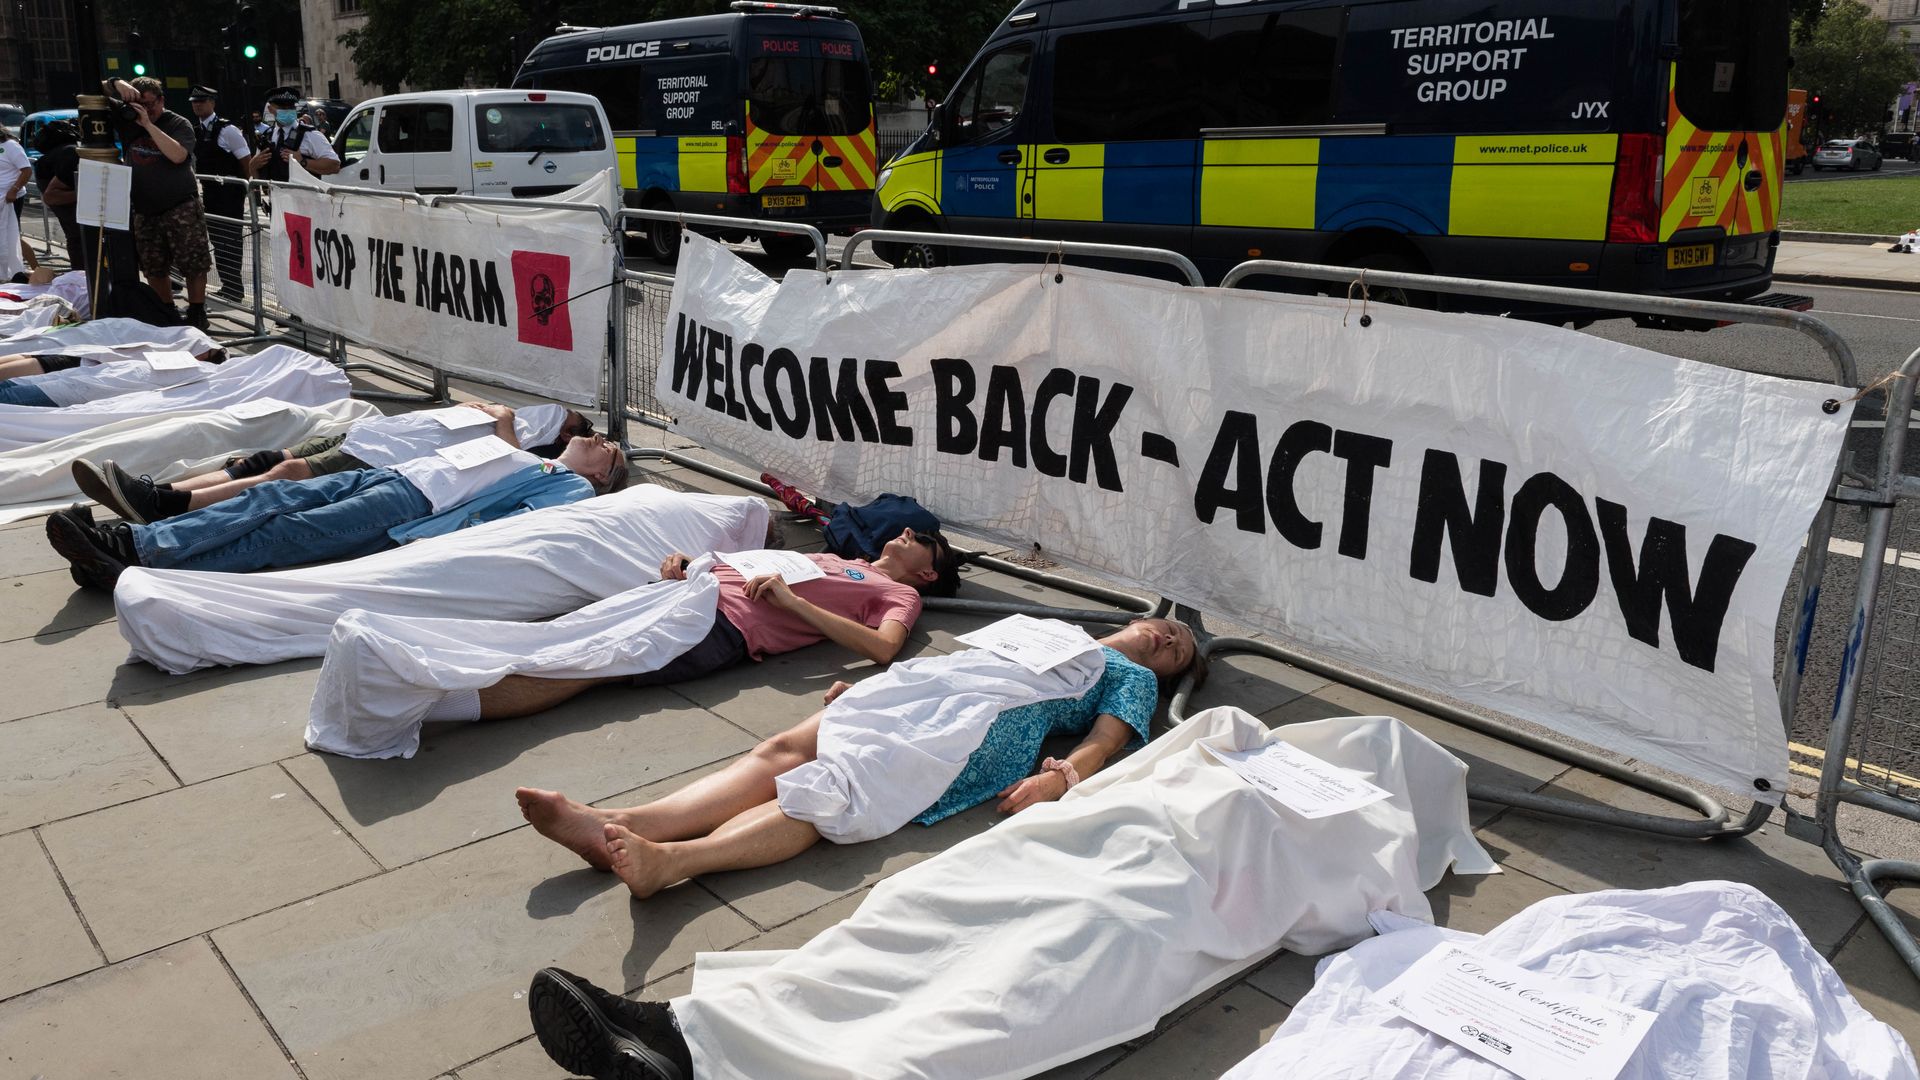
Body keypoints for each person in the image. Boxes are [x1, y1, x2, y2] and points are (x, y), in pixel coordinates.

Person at [523, 707, 1494, 1080]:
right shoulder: (1232, 740)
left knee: (1014, 980)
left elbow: (1337, 911)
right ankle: (679, 1029)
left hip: (1157, 895)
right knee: (909, 917)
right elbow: (1143, 768)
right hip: (1077, 844)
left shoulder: (1372, 830)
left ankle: (731, 1070)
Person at [513, 618, 1200, 896]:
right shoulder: (1049, 630)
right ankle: (621, 821)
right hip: (926, 692)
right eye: (1170, 626)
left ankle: (677, 862)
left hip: (986, 726)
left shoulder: (1129, 676)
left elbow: (1108, 739)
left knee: (835, 787)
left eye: (1181, 650)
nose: (1171, 636)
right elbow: (950, 663)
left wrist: (1062, 779)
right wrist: (881, 686)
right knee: (781, 748)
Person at [304, 527, 963, 758]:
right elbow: (748, 562)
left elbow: (881, 651)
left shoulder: (900, 595)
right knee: (557, 639)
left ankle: (418, 701)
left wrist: (790, 603)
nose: (903, 534)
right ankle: (407, 679)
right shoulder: (833, 554)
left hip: (723, 627)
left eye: (918, 541)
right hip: (691, 592)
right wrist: (686, 562)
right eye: (905, 531)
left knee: (581, 666)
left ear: (928, 570)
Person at [45, 431, 626, 589]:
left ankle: (135, 555)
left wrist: (420, 544)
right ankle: (126, 541)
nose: (595, 437)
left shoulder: (570, 489)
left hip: (410, 506)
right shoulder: (537, 461)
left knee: (282, 535)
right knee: (266, 497)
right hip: (394, 478)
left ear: (602, 473)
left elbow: (504, 523)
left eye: (605, 445)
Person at [73, 400, 593, 523]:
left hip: (386, 454)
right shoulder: (529, 416)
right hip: (373, 433)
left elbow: (512, 462)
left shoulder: (539, 447)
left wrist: (501, 417)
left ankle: (168, 506)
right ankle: (155, 492)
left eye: (571, 421)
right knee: (260, 458)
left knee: (284, 476)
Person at [103, 75, 213, 328]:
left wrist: (148, 124)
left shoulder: (177, 123)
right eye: (139, 104)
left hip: (179, 205)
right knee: (153, 265)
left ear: (161, 100)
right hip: (144, 208)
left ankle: (197, 311)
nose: (145, 109)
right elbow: (89, 92)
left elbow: (178, 156)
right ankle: (166, 310)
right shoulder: (127, 119)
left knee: (193, 261)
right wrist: (117, 83)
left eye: (150, 104)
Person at [0, 344, 227, 407]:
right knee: (8, 388)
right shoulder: (172, 356)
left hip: (76, 384)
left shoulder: (198, 374)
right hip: (80, 374)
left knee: (9, 396)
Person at [189, 86, 253, 303]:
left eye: (202, 101)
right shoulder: (197, 130)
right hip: (211, 192)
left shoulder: (227, 130)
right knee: (218, 239)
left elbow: (246, 161)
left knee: (231, 240)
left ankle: (235, 288)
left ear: (212, 103)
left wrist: (249, 189)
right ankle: (228, 285)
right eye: (194, 102)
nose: (197, 105)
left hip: (230, 193)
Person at [251, 87, 340, 182]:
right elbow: (259, 178)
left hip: (304, 196)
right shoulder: (267, 136)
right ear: (270, 109)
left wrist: (302, 161)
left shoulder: (310, 135)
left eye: (291, 107)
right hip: (276, 195)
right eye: (282, 107)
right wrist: (252, 166)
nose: (287, 110)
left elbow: (334, 165)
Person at [30, 120, 84, 275]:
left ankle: (80, 280)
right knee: (79, 241)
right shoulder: (70, 152)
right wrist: (87, 195)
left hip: (72, 223)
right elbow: (51, 196)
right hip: (77, 220)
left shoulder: (50, 157)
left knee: (75, 239)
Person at [0, 127, 31, 281]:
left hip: (11, 198)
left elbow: (26, 170)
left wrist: (14, 190)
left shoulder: (11, 146)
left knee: (12, 235)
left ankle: (33, 269)